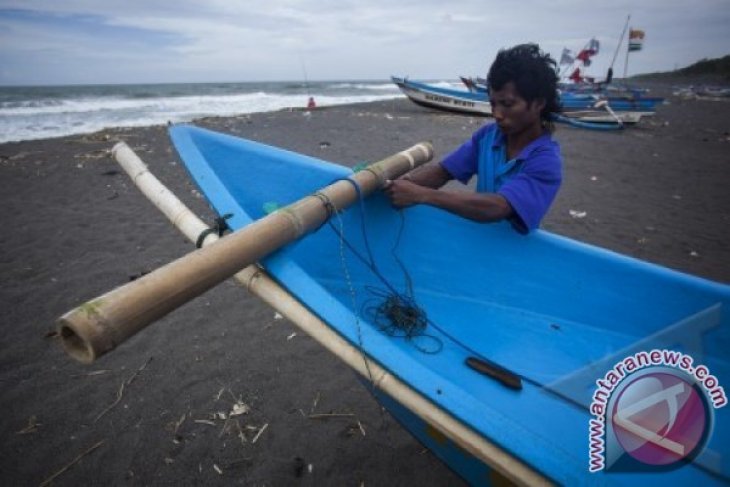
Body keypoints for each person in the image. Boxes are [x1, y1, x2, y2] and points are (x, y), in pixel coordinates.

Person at [384, 44, 562, 234]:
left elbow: (499, 207)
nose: (497, 114)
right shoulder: (488, 136)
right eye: (493, 104)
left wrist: (421, 195)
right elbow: (443, 171)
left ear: (538, 104)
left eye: (507, 104)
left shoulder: (546, 161)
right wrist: (400, 186)